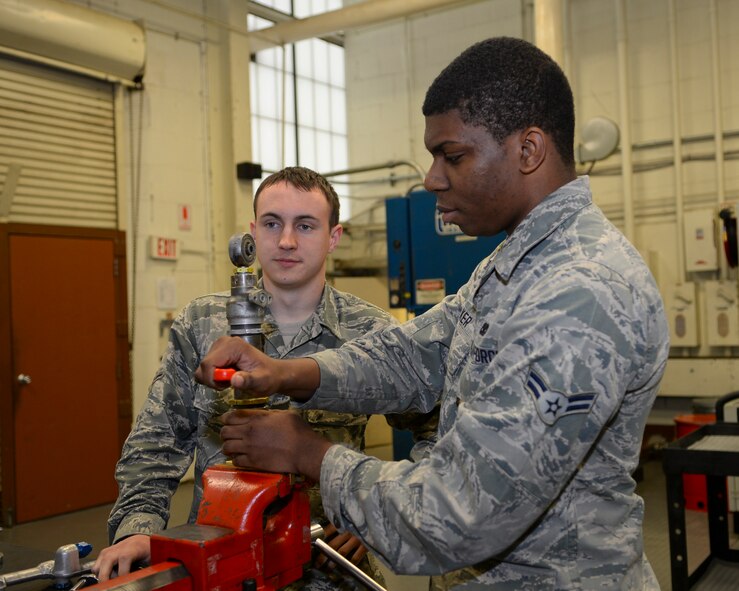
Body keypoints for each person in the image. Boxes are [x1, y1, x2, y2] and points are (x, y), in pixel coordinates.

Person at [195, 37, 669, 590]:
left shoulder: (579, 290)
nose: (432, 178)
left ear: (528, 149)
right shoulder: (513, 265)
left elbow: (457, 514)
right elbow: (415, 354)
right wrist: (288, 373)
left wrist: (308, 452)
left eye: (454, 156)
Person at [94, 166, 435, 589]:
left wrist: (376, 513)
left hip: (327, 570)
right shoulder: (203, 323)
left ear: (333, 237)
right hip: (220, 565)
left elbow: (440, 430)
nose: (287, 241)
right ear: (253, 232)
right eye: (273, 224)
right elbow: (155, 444)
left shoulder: (372, 333)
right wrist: (138, 530)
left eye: (306, 225)